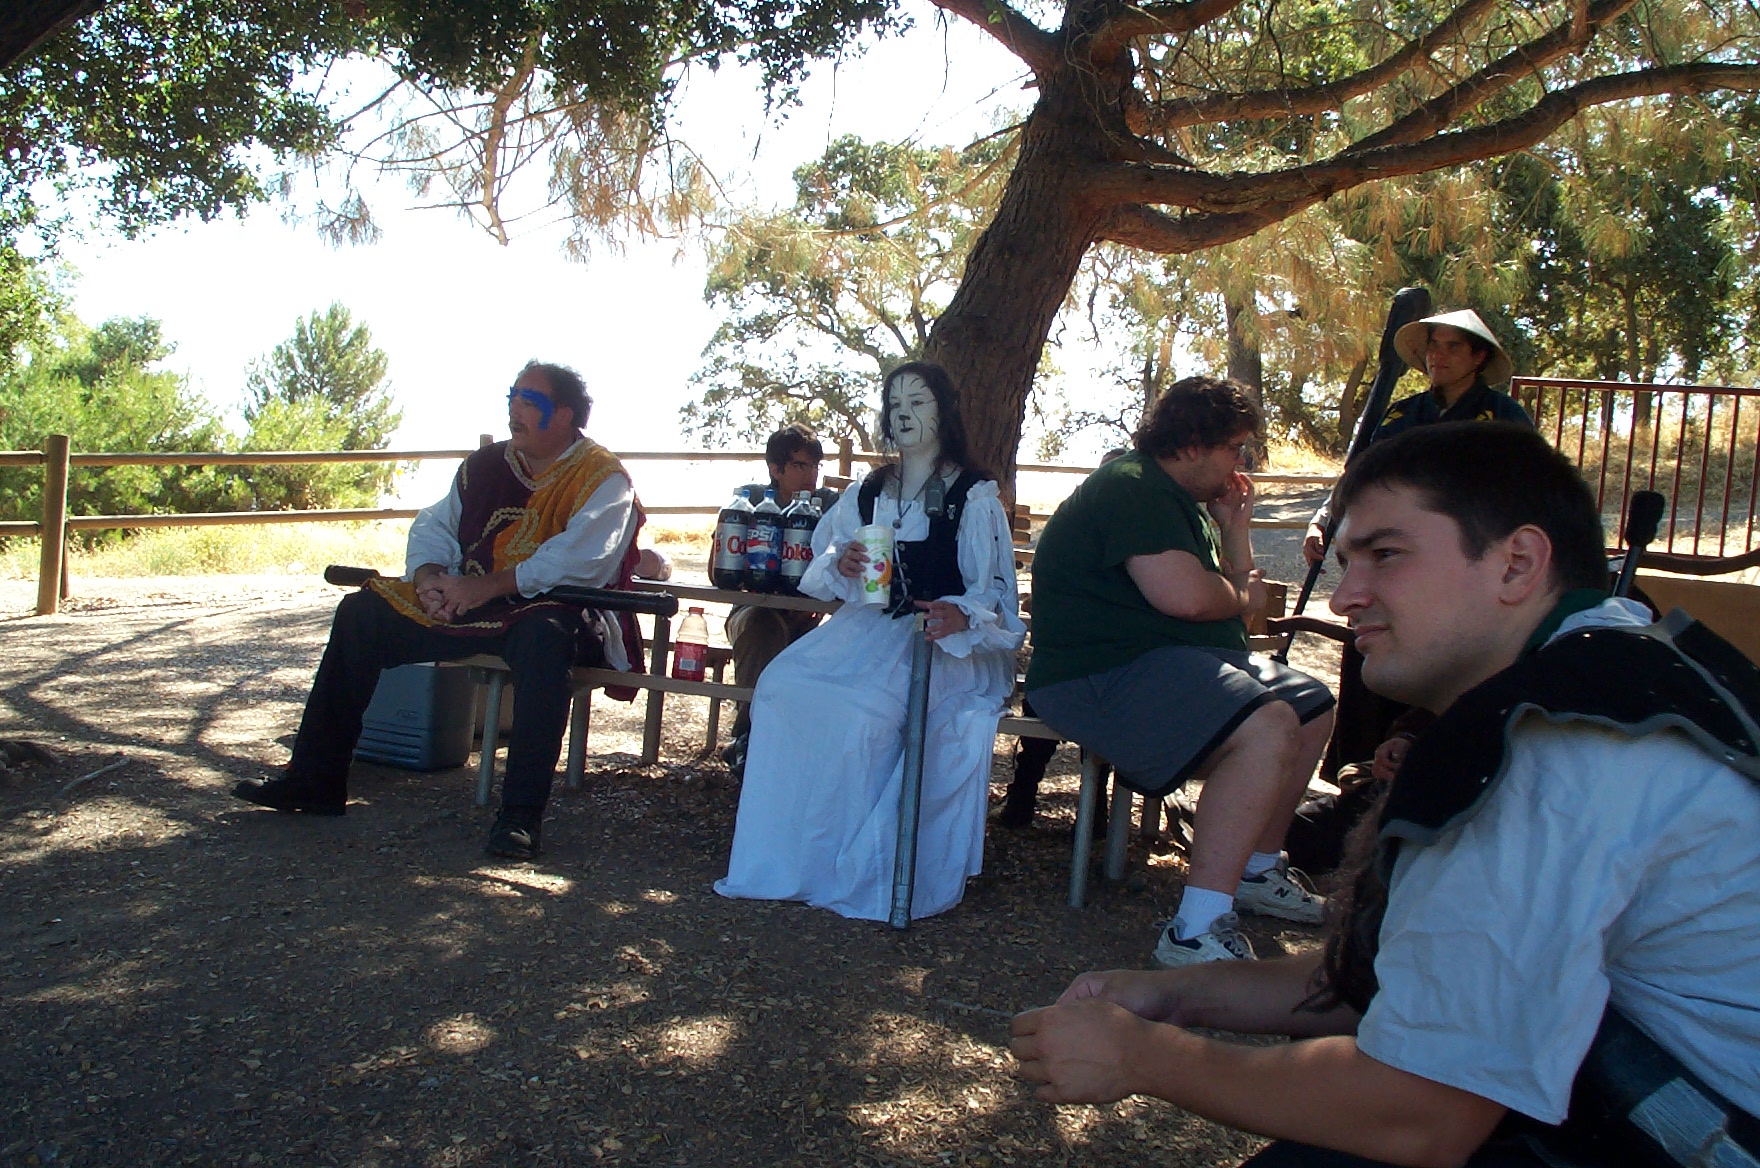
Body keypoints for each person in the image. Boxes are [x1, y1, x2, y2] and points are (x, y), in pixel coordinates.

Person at [1010, 422, 1760, 1168]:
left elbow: (1421, 1114)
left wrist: (1144, 1057)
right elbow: (1396, 978)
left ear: (1518, 563)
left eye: (1386, 555)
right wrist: (1175, 997)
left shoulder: (1551, 747)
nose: (1345, 599)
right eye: (1345, 563)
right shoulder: (1629, 671)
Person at [233, 361, 641, 860]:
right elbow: (437, 526)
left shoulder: (603, 478)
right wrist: (429, 581)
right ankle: (315, 779)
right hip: (469, 599)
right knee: (361, 613)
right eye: (512, 396)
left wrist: (485, 587)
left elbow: (582, 562)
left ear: (564, 416)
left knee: (546, 640)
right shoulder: (485, 466)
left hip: (555, 608)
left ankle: (520, 817)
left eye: (529, 401)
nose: (514, 409)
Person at [1025, 376, 1335, 964]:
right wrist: (1239, 597)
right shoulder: (1132, 486)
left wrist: (1235, 529)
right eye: (1234, 447)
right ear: (1192, 445)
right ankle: (1194, 931)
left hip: (1166, 664)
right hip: (1096, 675)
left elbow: (1235, 601)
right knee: (1267, 725)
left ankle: (1254, 871)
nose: (1241, 462)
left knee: (1312, 706)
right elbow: (1189, 599)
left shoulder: (1179, 503)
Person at [714, 362, 1025, 921]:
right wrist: (845, 563)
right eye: (895, 404)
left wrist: (963, 615)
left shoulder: (973, 497)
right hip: (870, 628)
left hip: (941, 644)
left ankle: (865, 867)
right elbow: (825, 560)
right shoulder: (869, 492)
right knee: (783, 687)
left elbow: (998, 594)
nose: (904, 415)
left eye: (917, 402)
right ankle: (798, 861)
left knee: (863, 714)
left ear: (944, 413)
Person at [1303, 308, 1536, 783]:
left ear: (1478, 357)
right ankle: (1355, 778)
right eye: (1433, 345)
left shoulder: (1504, 418)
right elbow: (1361, 476)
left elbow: (1522, 493)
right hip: (1388, 558)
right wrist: (1324, 519)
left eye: (1453, 346)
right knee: (1371, 649)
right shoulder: (1401, 414)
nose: (1438, 356)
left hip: (1460, 569)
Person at [721, 423, 842, 776]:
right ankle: (749, 738)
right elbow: (723, 569)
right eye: (800, 466)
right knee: (763, 630)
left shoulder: (830, 505)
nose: (810, 475)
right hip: (754, 610)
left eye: (815, 466)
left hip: (810, 616)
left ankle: (804, 749)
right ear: (775, 469)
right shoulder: (751, 503)